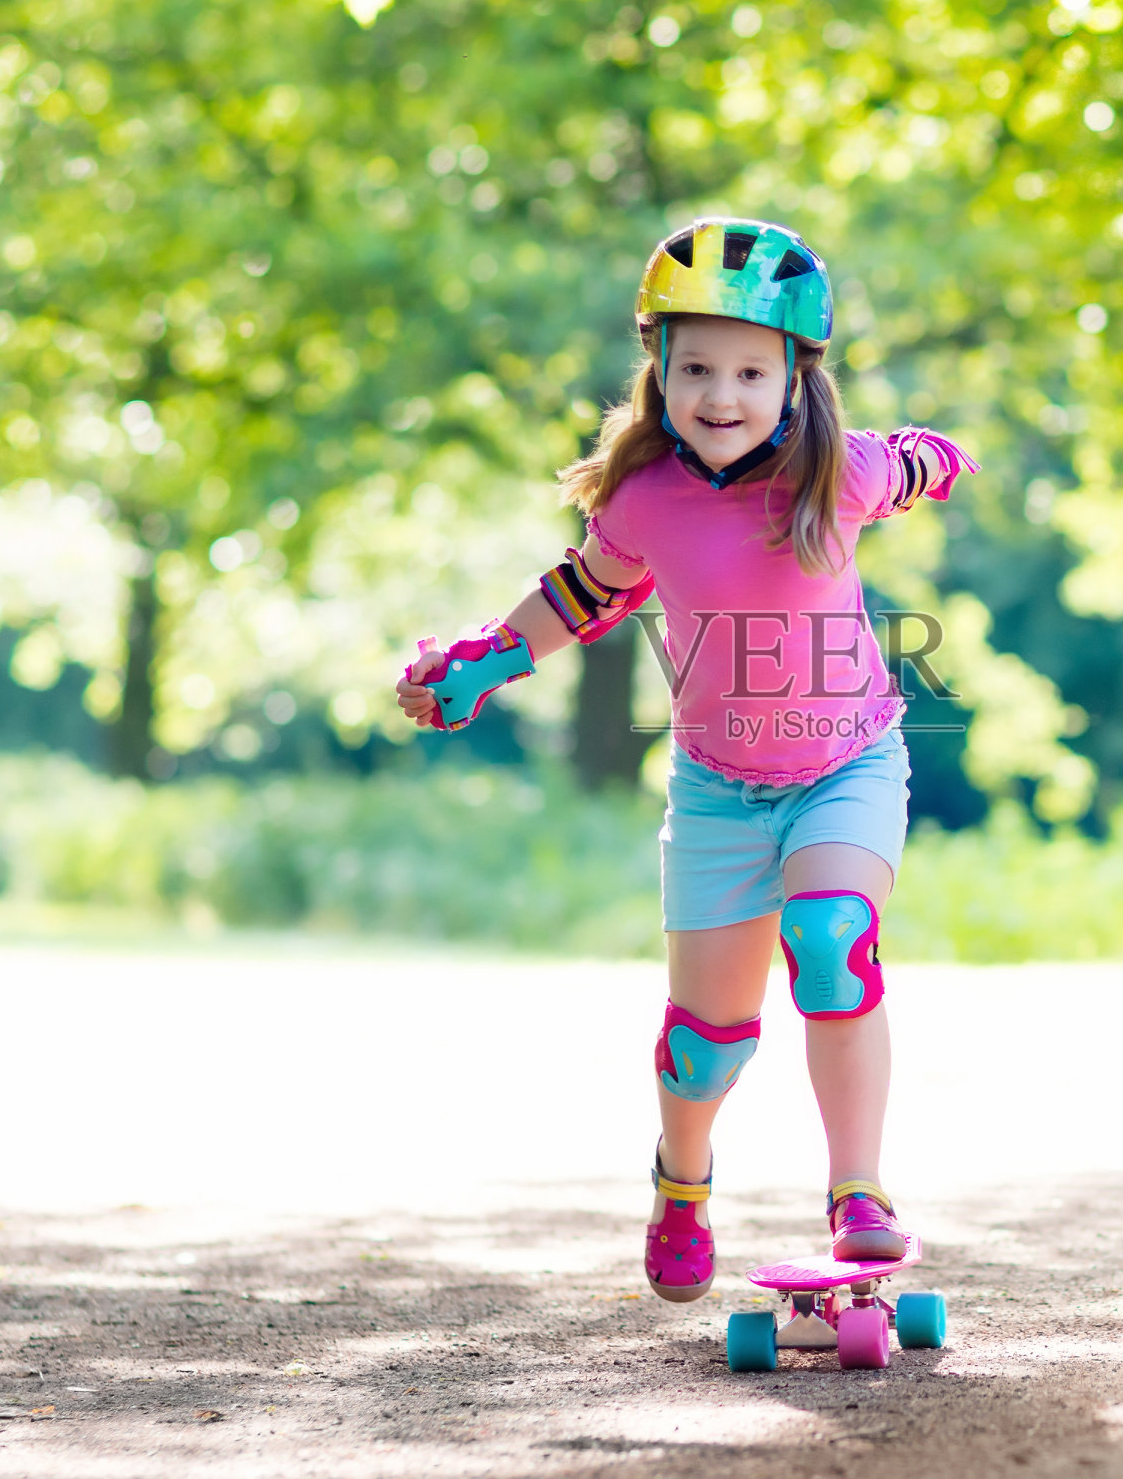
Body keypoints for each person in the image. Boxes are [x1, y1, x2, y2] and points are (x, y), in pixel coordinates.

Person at [396, 218, 977, 1301]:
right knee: (705, 1045)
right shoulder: (642, 498)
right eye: (696, 367)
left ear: (796, 381)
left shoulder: (835, 476)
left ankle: (860, 1192)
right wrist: (486, 659)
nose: (721, 394)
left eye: (751, 371)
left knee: (832, 941)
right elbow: (583, 592)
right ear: (657, 373)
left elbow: (910, 462)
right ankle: (682, 1180)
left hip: (845, 767)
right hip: (717, 793)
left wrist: (938, 459)